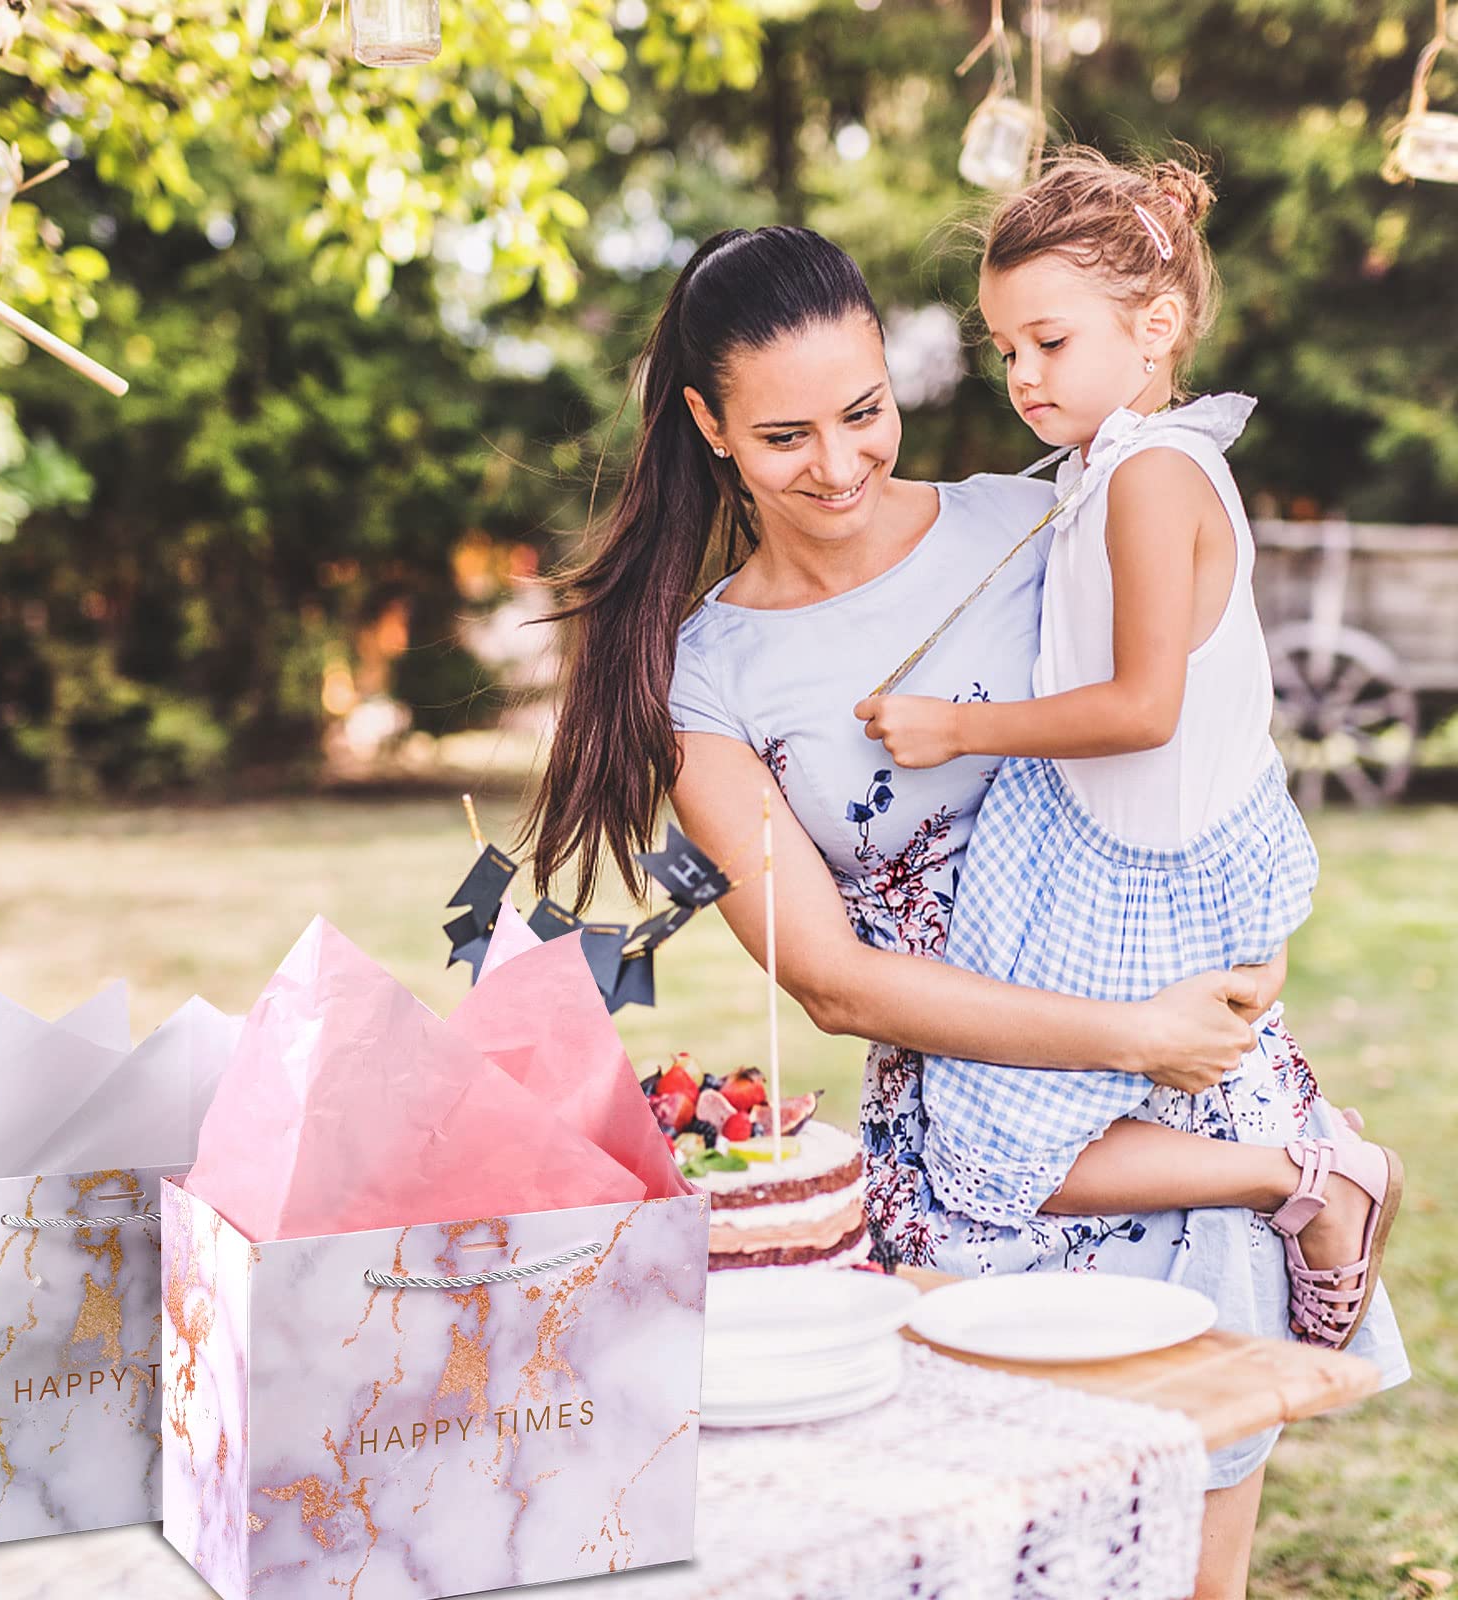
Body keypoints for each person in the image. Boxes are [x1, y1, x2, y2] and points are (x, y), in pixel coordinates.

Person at [524, 218, 1407, 1598]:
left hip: (1183, 1107)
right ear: (707, 424)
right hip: (976, 1155)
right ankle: (1298, 1175)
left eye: (864, 412)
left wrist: (1242, 966)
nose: (838, 465)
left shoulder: (1042, 517)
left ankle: (1305, 1181)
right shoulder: (706, 681)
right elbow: (830, 980)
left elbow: (1198, 738)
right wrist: (1138, 1035)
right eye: (783, 437)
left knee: (1195, 1572)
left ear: (895, 376)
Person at [851, 148, 1402, 1357]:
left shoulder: (1154, 473)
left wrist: (957, 727)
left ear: (1153, 328)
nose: (1020, 374)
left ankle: (1315, 1179)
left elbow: (1143, 704)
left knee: (1005, 1155)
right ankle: (1291, 1183)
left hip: (1141, 854)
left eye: (1048, 341)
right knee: (997, 1143)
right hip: (1090, 836)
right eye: (1004, 349)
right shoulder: (1104, 468)